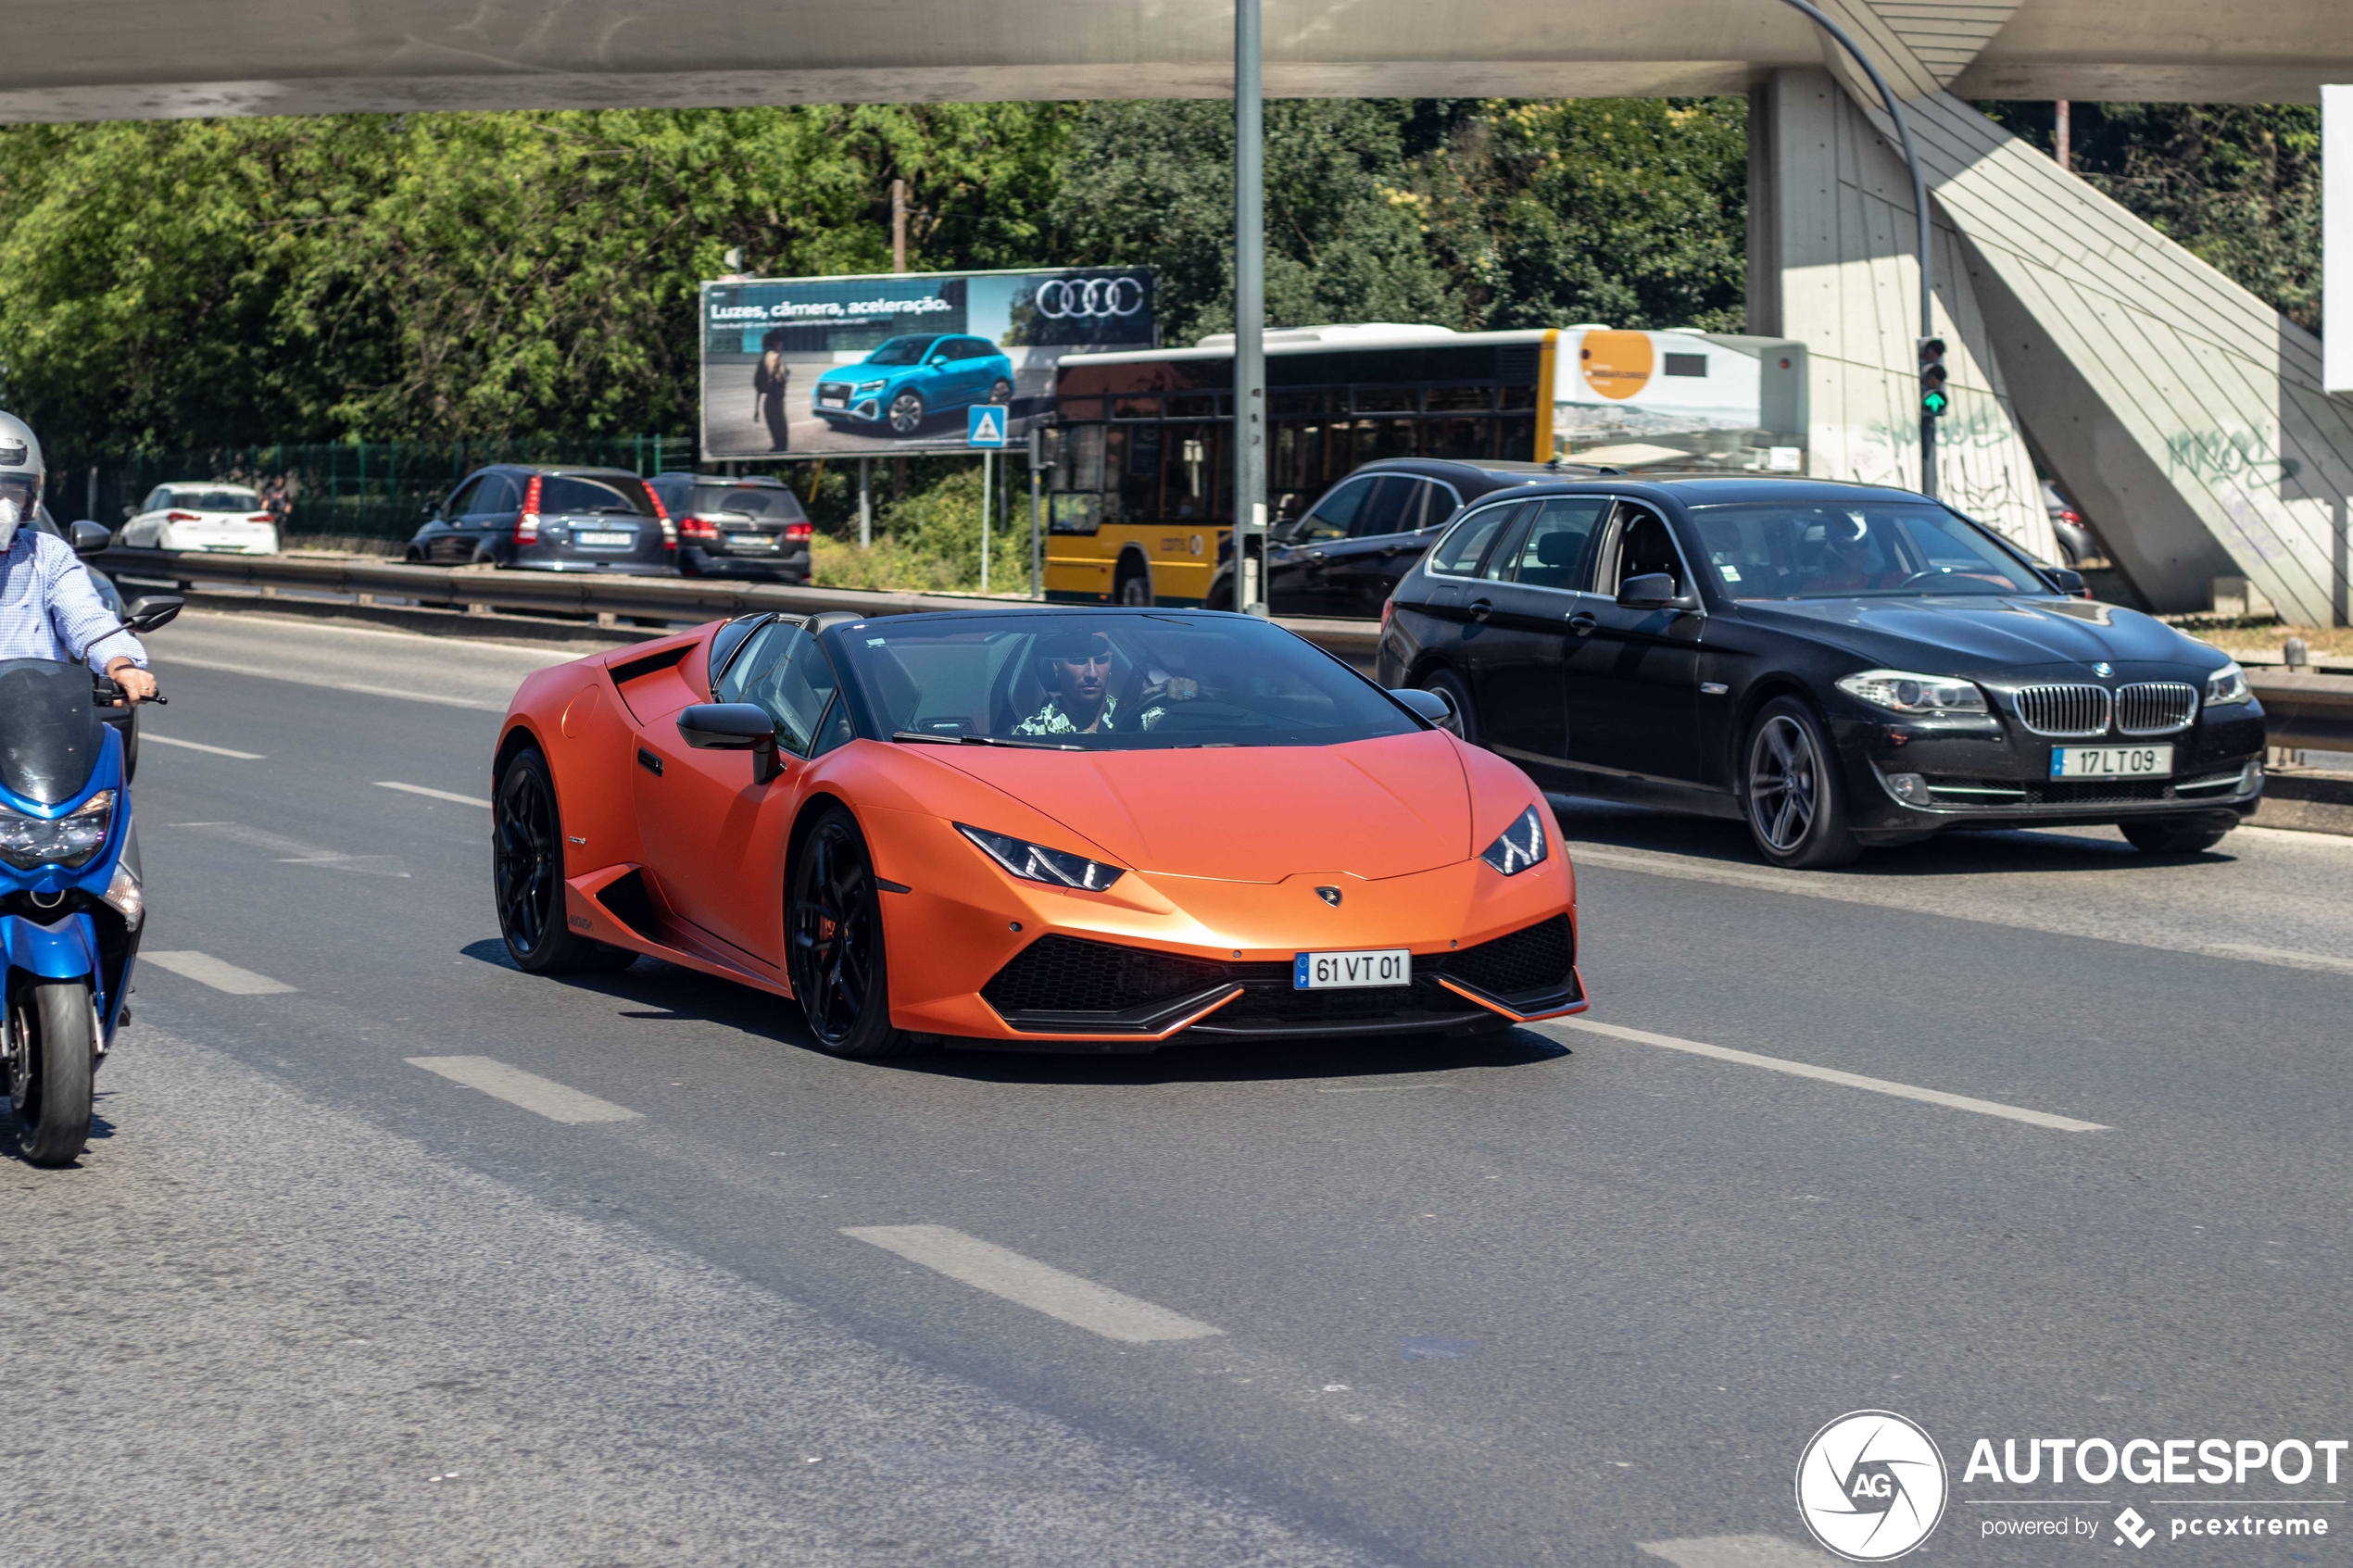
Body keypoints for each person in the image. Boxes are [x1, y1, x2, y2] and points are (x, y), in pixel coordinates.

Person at [0, 413, 156, 704]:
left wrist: (121, 666)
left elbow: (86, 617)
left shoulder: (47, 554)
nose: (3, 506)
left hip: (38, 723)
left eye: (13, 492)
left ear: (30, 497)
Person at [1013, 629, 1195, 737]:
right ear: (1057, 667)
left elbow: (1185, 736)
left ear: (1110, 664)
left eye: (1100, 661)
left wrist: (1185, 695)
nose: (1092, 673)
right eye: (1079, 661)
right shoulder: (1033, 733)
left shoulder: (1139, 718)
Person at [752, 328, 792, 452]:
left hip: (768, 402)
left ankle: (777, 451)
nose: (782, 345)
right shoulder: (776, 357)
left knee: (775, 433)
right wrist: (787, 375)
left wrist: (756, 410)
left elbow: (757, 384)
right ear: (776, 343)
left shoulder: (763, 358)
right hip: (776, 400)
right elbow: (781, 378)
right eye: (781, 342)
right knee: (782, 435)